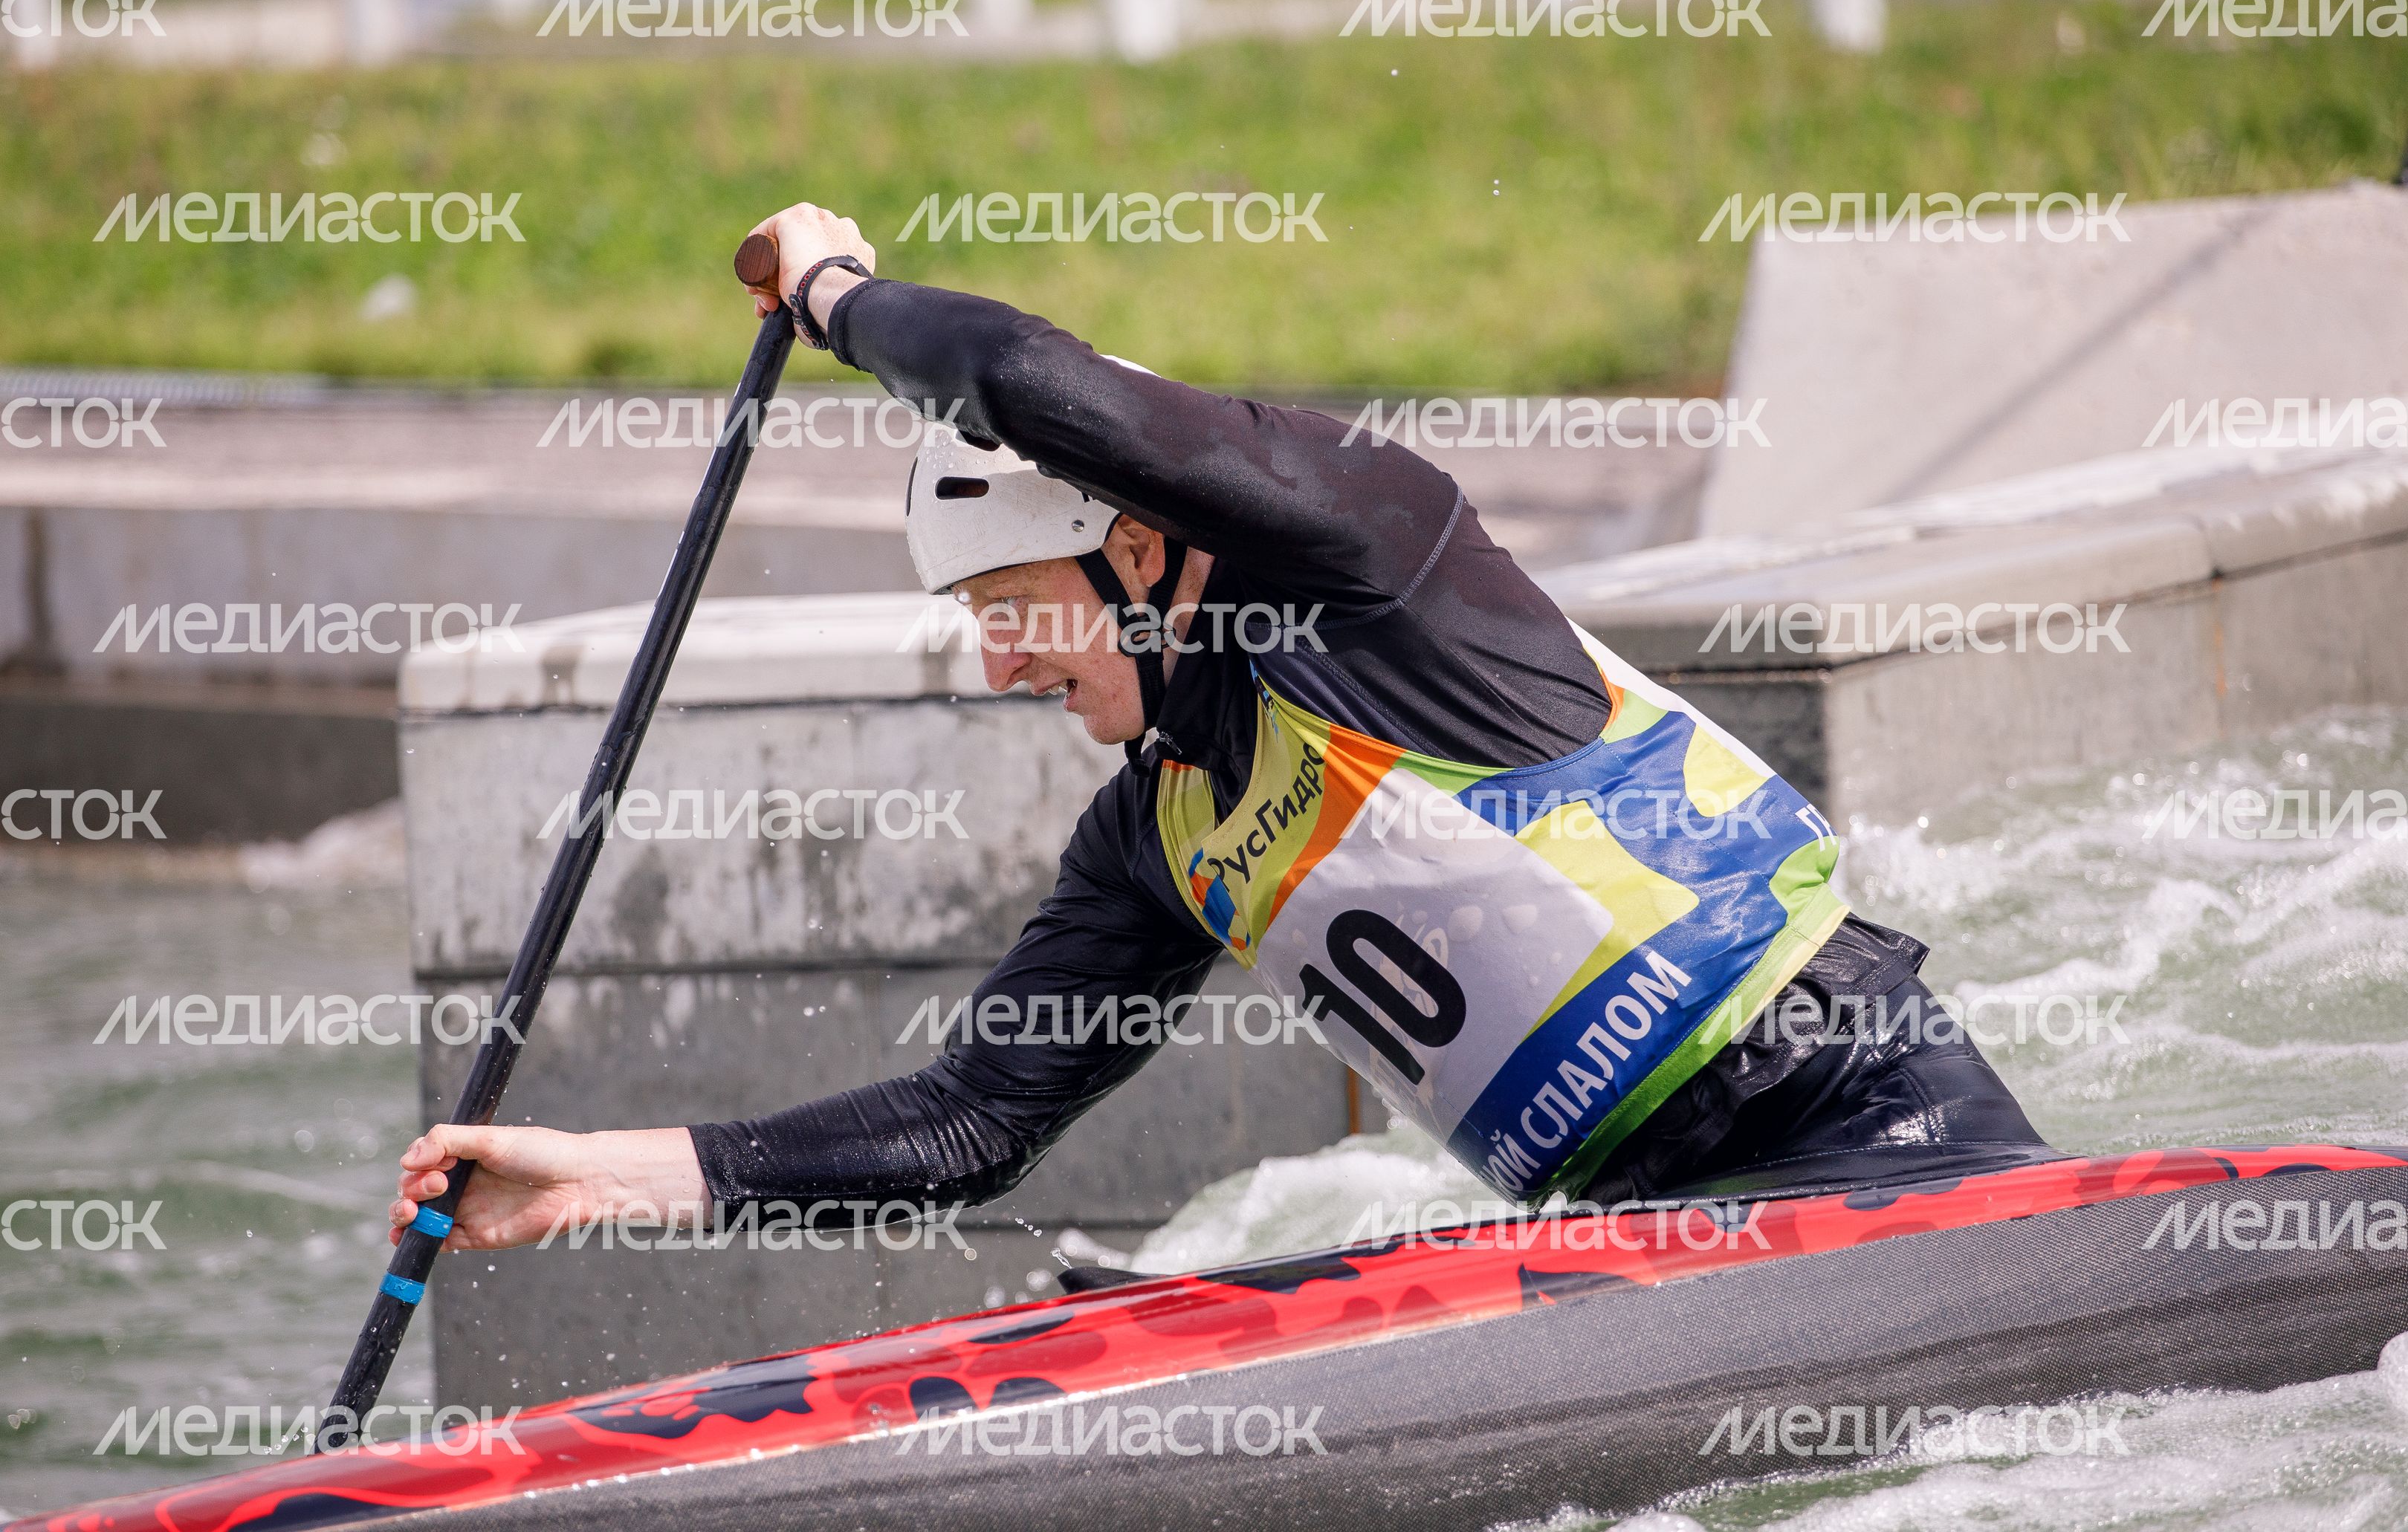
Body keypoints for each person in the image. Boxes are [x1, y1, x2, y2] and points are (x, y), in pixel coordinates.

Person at [391, 202, 2053, 1256]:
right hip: (1634, 1237)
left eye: (1006, 610)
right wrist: (614, 1174)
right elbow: (973, 1122)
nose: (998, 670)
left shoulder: (1371, 570)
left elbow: (1041, 388)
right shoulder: (1155, 838)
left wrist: (837, 294)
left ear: (1132, 549)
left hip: (1862, 1120)